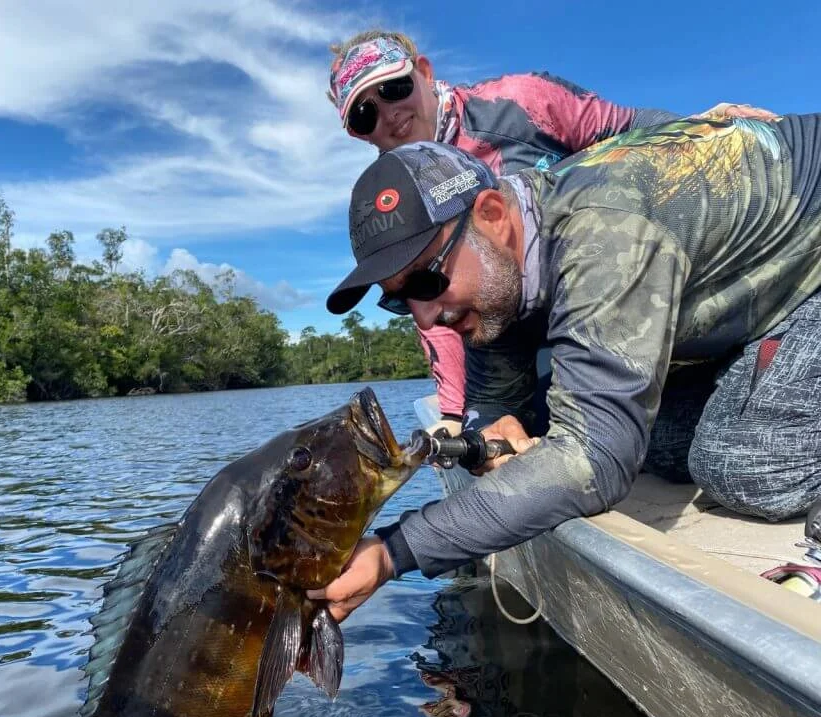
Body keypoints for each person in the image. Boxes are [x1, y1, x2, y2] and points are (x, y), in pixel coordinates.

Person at [312, 115, 821, 621]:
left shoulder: (604, 227)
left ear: (491, 214)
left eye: (426, 281)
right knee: (654, 445)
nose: (426, 316)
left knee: (742, 464)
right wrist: (492, 427)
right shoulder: (498, 278)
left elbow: (593, 456)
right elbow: (494, 407)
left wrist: (393, 551)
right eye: (400, 301)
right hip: (767, 306)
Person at [326, 30, 767, 424]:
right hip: (521, 338)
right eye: (364, 114)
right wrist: (458, 416)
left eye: (394, 88)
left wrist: (707, 129)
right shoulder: (392, 205)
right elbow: (438, 311)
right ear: (357, 133)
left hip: (619, 287)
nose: (388, 114)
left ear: (423, 71)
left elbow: (630, 130)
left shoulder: (520, 101)